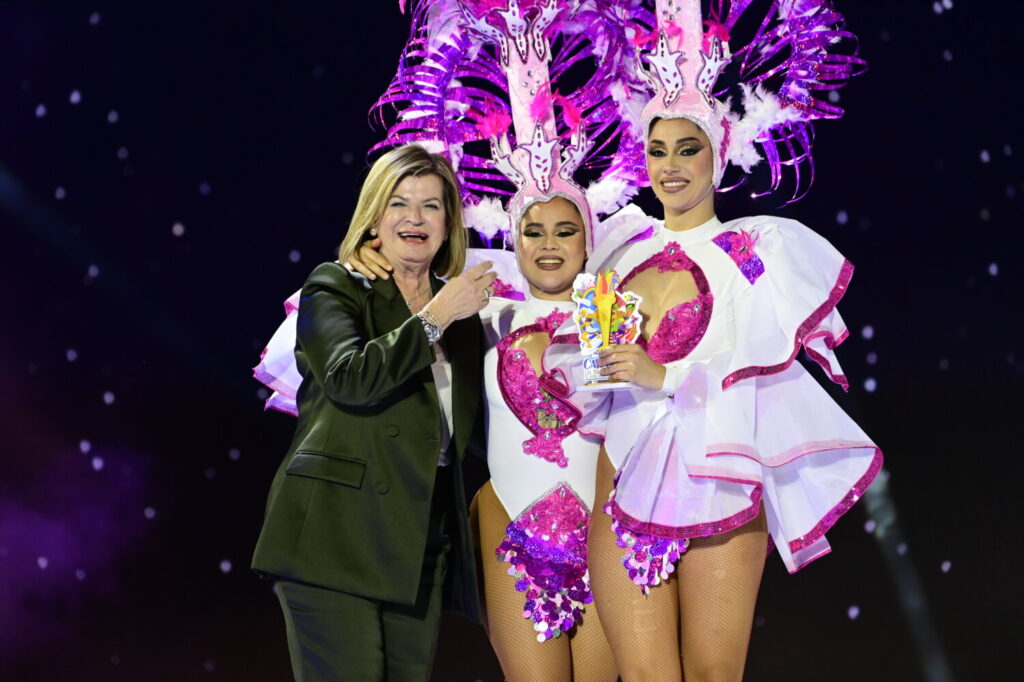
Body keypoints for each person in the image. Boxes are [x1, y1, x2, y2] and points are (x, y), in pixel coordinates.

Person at [545, 1, 881, 680]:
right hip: (622, 480)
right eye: (658, 150)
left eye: (688, 149)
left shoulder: (752, 250)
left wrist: (659, 375)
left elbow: (752, 371)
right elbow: (540, 287)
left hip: (717, 477)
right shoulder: (617, 245)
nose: (671, 167)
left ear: (718, 152)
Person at [250, 143, 497, 682]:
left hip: (418, 550)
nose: (415, 217)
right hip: (334, 541)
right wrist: (435, 316)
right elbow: (349, 379)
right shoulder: (335, 286)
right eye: (399, 203)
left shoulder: (462, 312)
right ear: (374, 216)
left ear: (449, 221)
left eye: (431, 205)